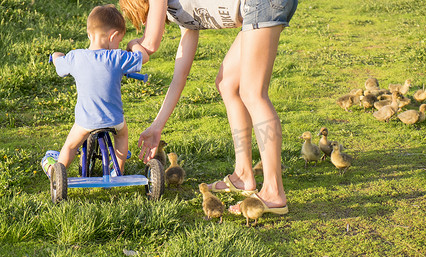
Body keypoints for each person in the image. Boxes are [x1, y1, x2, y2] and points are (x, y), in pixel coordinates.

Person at [120, 0, 297, 214]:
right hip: (256, 7)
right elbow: (179, 77)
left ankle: (273, 191)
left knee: (253, 93)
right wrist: (157, 126)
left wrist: (132, 45)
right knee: (227, 83)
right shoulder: (181, 12)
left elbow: (150, 45)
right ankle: (242, 175)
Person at [42, 4, 149, 177]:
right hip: (115, 119)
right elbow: (143, 57)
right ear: (113, 36)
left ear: (89, 34)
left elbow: (59, 65)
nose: (119, 45)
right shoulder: (118, 57)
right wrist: (133, 44)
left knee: (70, 145)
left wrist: (55, 56)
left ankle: (58, 172)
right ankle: (119, 169)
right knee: (122, 136)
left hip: (86, 121)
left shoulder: (76, 57)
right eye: (120, 41)